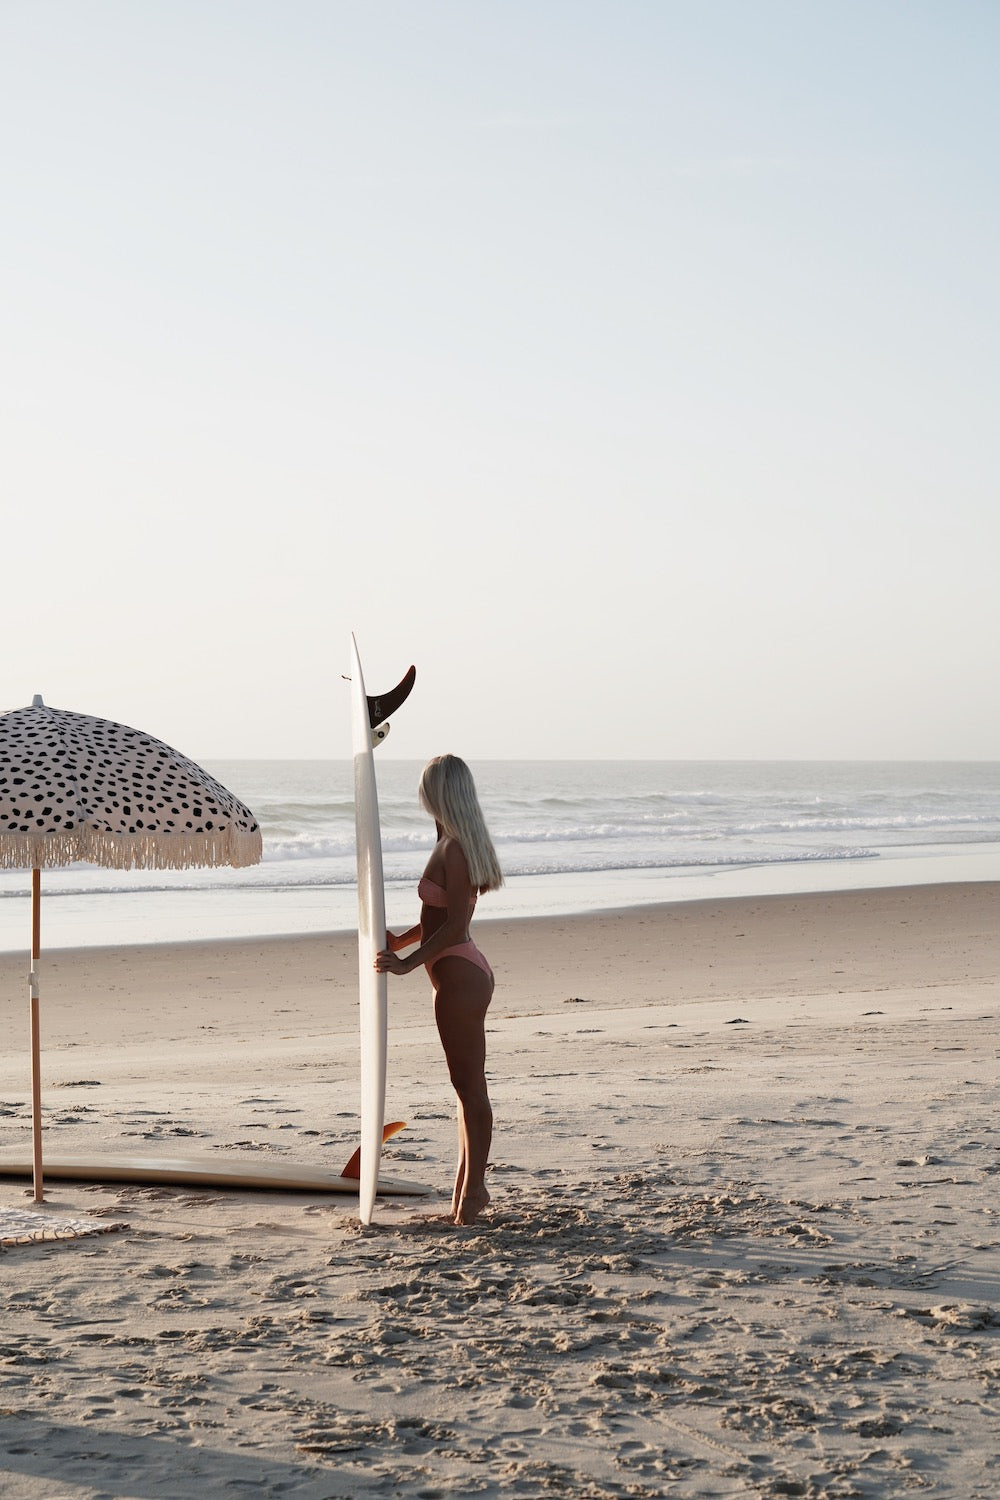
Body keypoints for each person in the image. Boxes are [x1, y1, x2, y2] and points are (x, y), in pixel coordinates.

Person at [375, 754, 502, 1225]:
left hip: (460, 975)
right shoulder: (449, 840)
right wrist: (401, 940)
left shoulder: (455, 848)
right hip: (456, 972)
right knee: (463, 1089)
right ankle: (464, 1192)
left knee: (470, 1090)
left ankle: (476, 1191)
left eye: (425, 787)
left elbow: (455, 927)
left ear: (439, 792)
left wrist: (407, 964)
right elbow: (437, 917)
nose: (420, 794)